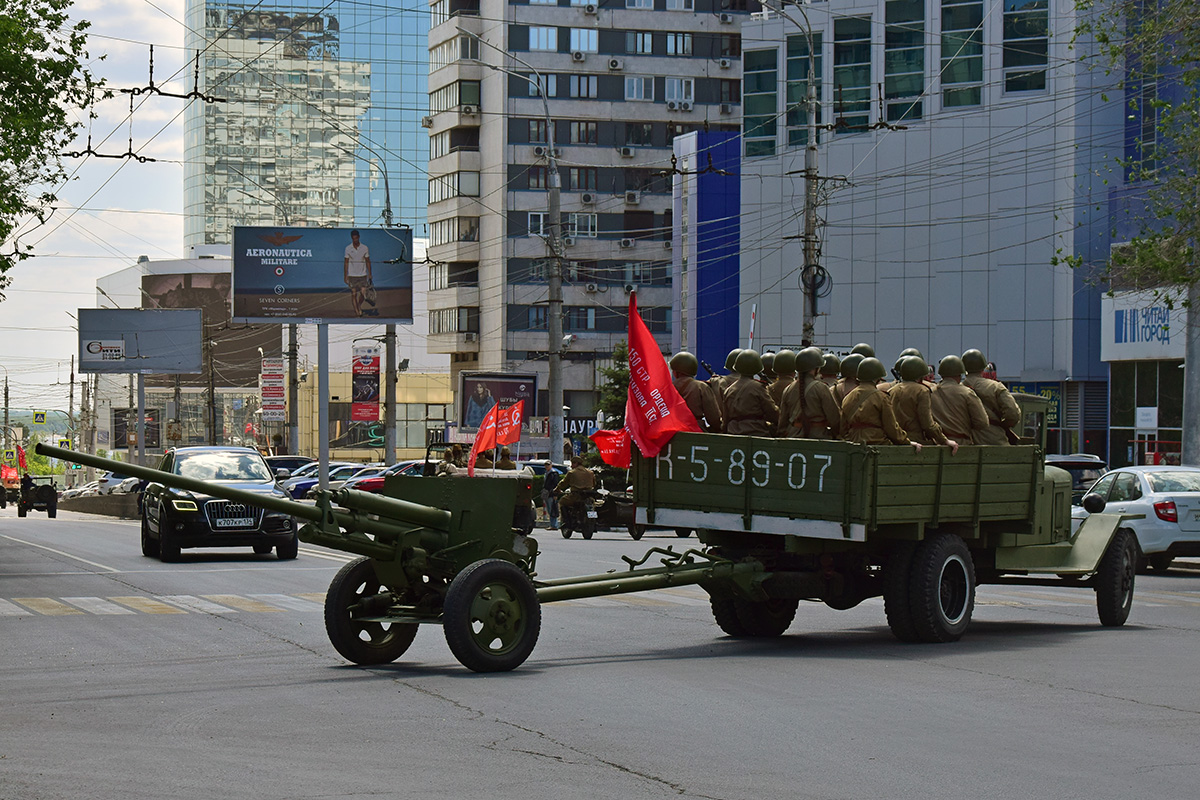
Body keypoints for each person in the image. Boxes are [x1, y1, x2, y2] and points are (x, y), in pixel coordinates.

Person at [840, 358, 922, 451]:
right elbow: (891, 427)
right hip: (877, 443)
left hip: (853, 443)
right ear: (877, 378)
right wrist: (906, 442)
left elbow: (843, 428)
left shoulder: (848, 397)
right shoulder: (881, 397)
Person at [888, 356, 959, 454]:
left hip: (896, 440)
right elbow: (927, 423)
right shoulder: (922, 391)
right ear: (920, 376)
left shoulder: (891, 391)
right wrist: (944, 440)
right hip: (917, 441)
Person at [962, 349, 1021, 445]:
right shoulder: (996, 387)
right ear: (983, 367)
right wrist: (1001, 424)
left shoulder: (957, 389)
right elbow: (1013, 414)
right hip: (994, 441)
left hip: (965, 441)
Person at [778, 347, 840, 439]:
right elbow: (835, 418)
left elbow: (782, 422)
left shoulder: (788, 389)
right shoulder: (821, 388)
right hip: (818, 438)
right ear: (816, 369)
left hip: (793, 437)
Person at [931, 355, 990, 445]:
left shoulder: (930, 392)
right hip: (962, 444)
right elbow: (982, 422)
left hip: (937, 443)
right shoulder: (967, 393)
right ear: (959, 374)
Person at [722, 349, 778, 436]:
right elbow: (772, 411)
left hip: (733, 432)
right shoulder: (758, 387)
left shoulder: (729, 389)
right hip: (756, 431)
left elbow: (725, 418)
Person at [670, 351, 723, 432]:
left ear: (675, 372)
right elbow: (714, 418)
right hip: (695, 431)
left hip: (671, 430)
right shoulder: (701, 387)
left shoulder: (668, 388)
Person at [343, 229, 375, 317]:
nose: (355, 240)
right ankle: (357, 312)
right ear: (351, 238)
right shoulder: (348, 248)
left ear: (359, 237)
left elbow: (368, 261)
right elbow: (346, 262)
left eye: (356, 238)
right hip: (352, 275)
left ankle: (358, 305)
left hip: (362, 274)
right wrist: (345, 276)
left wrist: (370, 273)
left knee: (363, 293)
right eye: (353, 239)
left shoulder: (365, 248)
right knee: (353, 294)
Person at [541, 460, 561, 529]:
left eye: (548, 465)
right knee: (549, 509)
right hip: (547, 494)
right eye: (546, 465)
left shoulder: (554, 474)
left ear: (551, 465)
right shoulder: (546, 473)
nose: (547, 466)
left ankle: (554, 525)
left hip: (552, 494)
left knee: (552, 509)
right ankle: (552, 524)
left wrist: (555, 494)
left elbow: (556, 485)